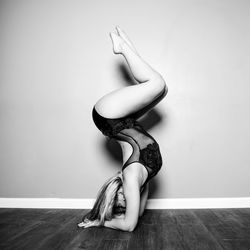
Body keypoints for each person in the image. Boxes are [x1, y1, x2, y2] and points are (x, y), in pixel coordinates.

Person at [77, 26, 167, 231]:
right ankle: (126, 45)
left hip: (109, 118)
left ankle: (123, 48)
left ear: (115, 190)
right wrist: (128, 209)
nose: (124, 200)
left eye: (118, 200)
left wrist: (99, 220)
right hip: (123, 120)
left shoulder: (130, 178)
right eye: (123, 206)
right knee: (162, 90)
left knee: (156, 84)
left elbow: (128, 226)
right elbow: (138, 215)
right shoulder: (140, 182)